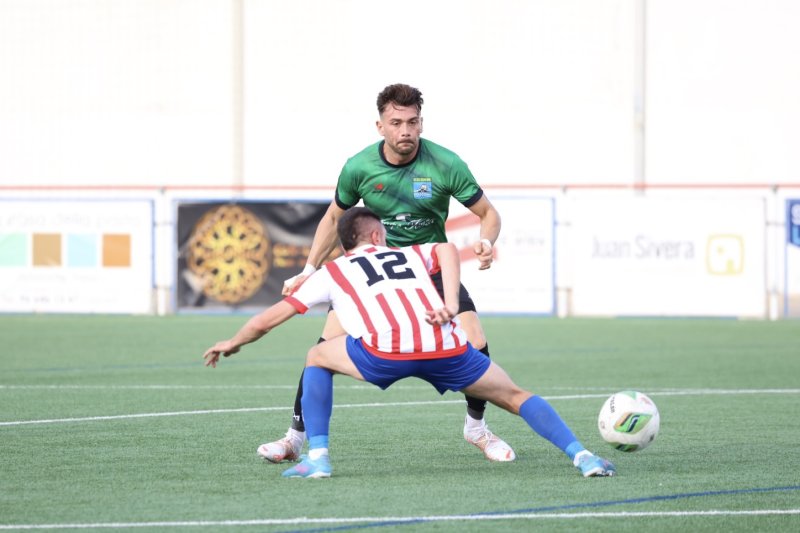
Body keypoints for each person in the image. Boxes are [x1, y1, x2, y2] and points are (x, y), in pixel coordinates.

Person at [203, 207, 616, 479]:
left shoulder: (333, 271)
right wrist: (451, 303)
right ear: (379, 235)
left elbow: (270, 318)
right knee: (515, 395)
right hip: (446, 348)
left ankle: (318, 458)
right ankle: (584, 457)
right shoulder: (412, 254)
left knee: (316, 355)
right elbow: (449, 249)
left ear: (345, 243)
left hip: (383, 355)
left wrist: (234, 341)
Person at [258, 83, 514, 464]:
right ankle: (295, 437)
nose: (405, 131)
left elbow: (488, 214)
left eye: (412, 122)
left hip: (429, 268)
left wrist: (487, 242)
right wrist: (309, 269)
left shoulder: (446, 164)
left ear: (422, 123)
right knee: (322, 349)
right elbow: (332, 218)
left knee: (475, 340)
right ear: (380, 125)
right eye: (396, 122)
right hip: (374, 274)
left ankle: (476, 429)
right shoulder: (359, 167)